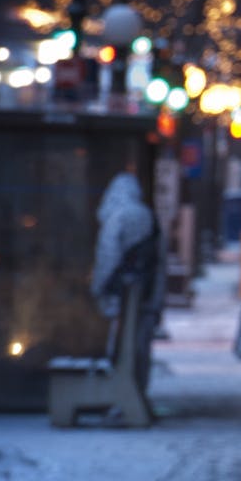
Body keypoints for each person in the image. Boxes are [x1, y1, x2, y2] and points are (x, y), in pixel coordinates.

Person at [90, 170, 164, 397]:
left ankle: (118, 395)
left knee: (118, 345)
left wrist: (98, 286)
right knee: (138, 348)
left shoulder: (117, 217)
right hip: (145, 294)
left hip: (120, 295)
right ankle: (135, 392)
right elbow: (160, 260)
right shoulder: (147, 215)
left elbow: (108, 255)